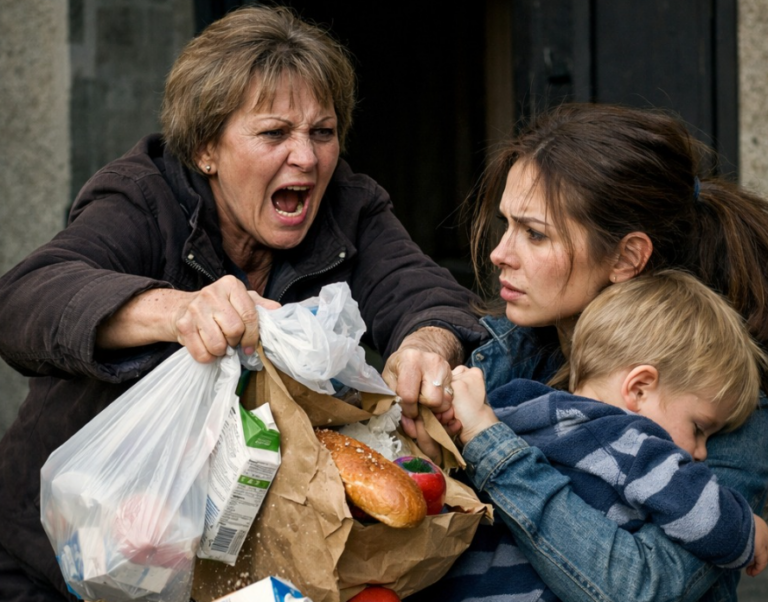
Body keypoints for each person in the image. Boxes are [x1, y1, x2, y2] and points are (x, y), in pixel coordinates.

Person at [0, 7, 486, 601]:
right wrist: (175, 311)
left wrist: (425, 345)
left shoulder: (348, 206)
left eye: (323, 132)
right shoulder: (143, 195)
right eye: (275, 133)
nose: (306, 158)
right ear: (206, 147)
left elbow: (428, 295)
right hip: (60, 557)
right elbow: (26, 299)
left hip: (217, 569)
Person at [404, 103, 768, 602]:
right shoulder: (512, 355)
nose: (500, 253)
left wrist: (490, 448)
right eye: (506, 224)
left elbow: (636, 587)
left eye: (535, 234)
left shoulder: (714, 409)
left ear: (626, 257)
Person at [416, 270, 768, 601]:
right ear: (640, 388)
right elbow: (698, 512)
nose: (702, 453)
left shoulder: (516, 410)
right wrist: (746, 532)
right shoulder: (631, 441)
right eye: (699, 428)